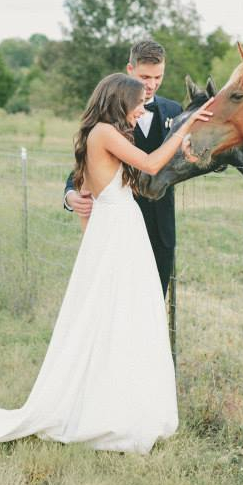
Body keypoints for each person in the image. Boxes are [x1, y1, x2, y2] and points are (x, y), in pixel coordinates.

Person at [0, 73, 211, 454]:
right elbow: (152, 165)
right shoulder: (104, 133)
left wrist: (93, 239)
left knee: (123, 316)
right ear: (119, 102)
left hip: (120, 234)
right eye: (138, 102)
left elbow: (97, 191)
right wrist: (186, 125)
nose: (143, 108)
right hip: (119, 232)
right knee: (117, 315)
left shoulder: (108, 135)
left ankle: (122, 404)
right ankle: (112, 412)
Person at [64, 39, 180, 297]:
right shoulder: (108, 117)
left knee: (152, 302)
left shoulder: (174, 110)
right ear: (130, 69)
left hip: (161, 224)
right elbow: (85, 162)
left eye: (158, 77)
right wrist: (71, 194)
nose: (151, 85)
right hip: (116, 224)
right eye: (145, 76)